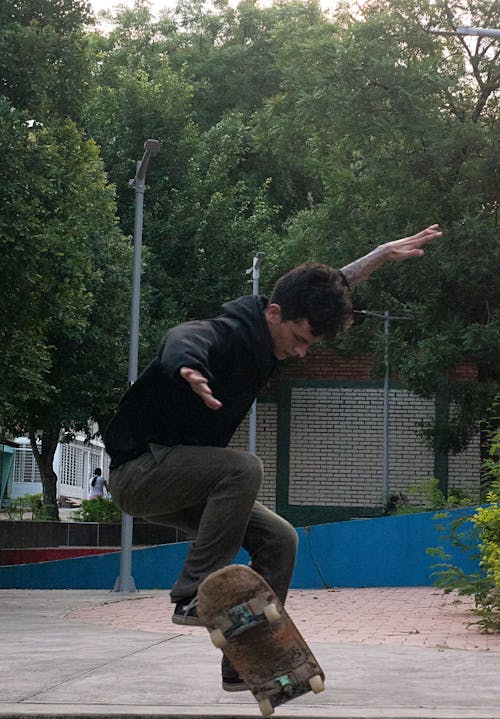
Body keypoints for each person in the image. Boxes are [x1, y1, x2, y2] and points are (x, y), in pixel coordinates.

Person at [104, 224, 442, 691]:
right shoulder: (230, 331)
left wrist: (380, 254)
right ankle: (192, 595)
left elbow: (332, 283)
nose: (302, 353)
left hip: (179, 482)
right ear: (275, 313)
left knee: (280, 539)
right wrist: (188, 367)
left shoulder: (285, 316)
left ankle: (246, 663)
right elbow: (186, 335)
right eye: (300, 339)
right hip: (139, 471)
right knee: (244, 467)